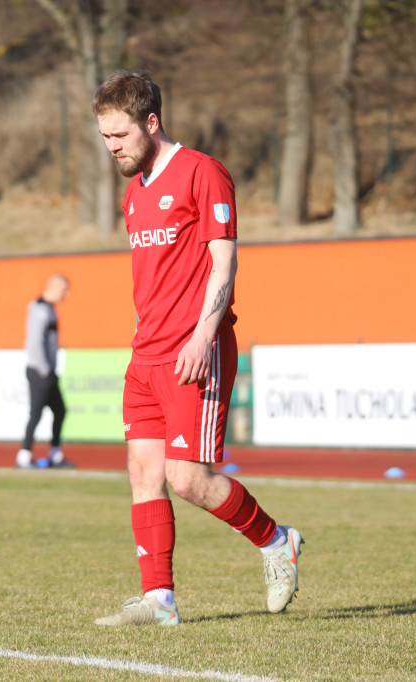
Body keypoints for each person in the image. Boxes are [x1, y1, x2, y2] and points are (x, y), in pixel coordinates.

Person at [91, 71, 302, 626]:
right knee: (143, 475)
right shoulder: (133, 194)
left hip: (195, 353)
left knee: (188, 478)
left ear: (151, 123)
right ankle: (159, 599)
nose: (111, 147)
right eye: (105, 137)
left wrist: (203, 336)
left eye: (119, 136)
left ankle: (277, 541)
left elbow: (224, 263)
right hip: (146, 357)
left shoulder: (202, 172)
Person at [16, 274, 73, 469]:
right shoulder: (40, 310)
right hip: (40, 372)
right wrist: (44, 370)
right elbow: (34, 343)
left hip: (48, 372)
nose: (67, 295)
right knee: (36, 414)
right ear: (55, 288)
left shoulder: (48, 309)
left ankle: (55, 454)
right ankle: (24, 455)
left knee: (60, 410)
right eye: (65, 290)